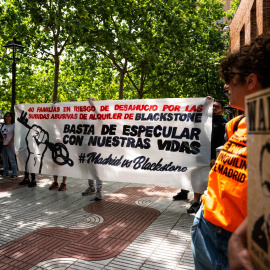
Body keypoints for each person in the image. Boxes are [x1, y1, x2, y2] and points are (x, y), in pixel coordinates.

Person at [191, 33, 270, 270]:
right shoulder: (237, 124)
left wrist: (240, 237)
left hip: (241, 245)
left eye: (230, 78)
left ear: (250, 80)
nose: (225, 86)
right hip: (205, 230)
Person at [174, 100, 228, 214]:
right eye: (212, 106)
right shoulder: (204, 119)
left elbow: (222, 142)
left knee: (208, 180)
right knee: (196, 177)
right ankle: (194, 201)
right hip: (199, 154)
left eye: (217, 107)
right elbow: (192, 114)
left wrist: (214, 157)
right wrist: (204, 102)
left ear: (222, 110)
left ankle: (204, 203)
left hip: (213, 157)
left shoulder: (224, 123)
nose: (214, 108)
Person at [81, 96, 104, 200]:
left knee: (97, 171)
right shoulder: (83, 124)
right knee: (89, 169)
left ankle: (99, 191)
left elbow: (98, 116)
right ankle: (91, 188)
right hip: (85, 149)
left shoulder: (97, 123)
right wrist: (55, 107)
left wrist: (92, 105)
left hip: (95, 150)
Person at [1, 112, 17, 178]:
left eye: (9, 116)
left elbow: (15, 135)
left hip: (10, 145)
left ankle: (14, 173)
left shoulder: (13, 125)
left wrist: (11, 143)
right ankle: (6, 172)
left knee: (12, 160)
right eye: (6, 116)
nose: (7, 117)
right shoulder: (3, 125)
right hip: (3, 145)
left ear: (11, 117)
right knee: (4, 160)